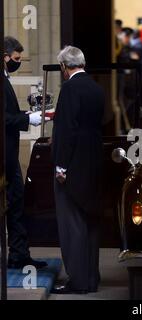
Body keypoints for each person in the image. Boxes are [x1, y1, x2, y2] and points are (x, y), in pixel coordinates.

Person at [51, 46, 105, 294]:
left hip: (73, 166)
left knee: (72, 225)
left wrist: (61, 166)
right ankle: (91, 278)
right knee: (90, 224)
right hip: (93, 163)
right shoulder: (96, 88)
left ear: (64, 66)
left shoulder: (70, 89)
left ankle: (78, 281)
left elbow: (67, 131)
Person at [4, 36, 48, 270]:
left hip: (8, 153)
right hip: (5, 155)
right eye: (16, 59)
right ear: (5, 56)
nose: (18, 62)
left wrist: (26, 115)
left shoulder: (5, 78)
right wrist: (27, 118)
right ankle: (18, 254)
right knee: (15, 200)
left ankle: (19, 254)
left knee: (16, 201)